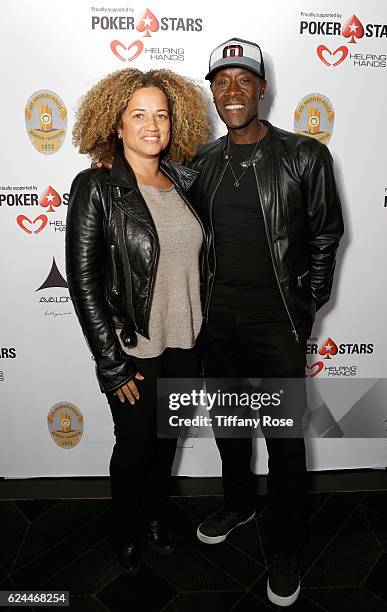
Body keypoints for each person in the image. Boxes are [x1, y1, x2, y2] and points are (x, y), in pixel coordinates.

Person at [189, 38, 344, 607]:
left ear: (262, 87)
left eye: (244, 80)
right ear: (211, 91)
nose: (233, 91)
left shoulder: (305, 156)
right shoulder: (200, 162)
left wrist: (307, 307)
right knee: (230, 430)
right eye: (221, 81)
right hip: (217, 325)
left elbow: (327, 234)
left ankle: (285, 544)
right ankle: (238, 502)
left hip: (277, 326)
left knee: (282, 441)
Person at [65, 68, 210, 575]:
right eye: (139, 115)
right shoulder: (96, 187)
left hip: (186, 345)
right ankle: (126, 532)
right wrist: (111, 363)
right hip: (133, 352)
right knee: (135, 450)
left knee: (166, 443)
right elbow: (84, 283)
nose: (153, 126)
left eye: (162, 115)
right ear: (117, 124)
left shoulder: (187, 180)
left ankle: (154, 520)